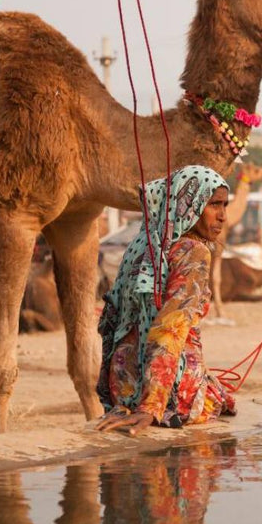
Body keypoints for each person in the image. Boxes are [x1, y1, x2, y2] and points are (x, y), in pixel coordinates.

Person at [96, 165, 236, 435]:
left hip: (122, 388)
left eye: (225, 205)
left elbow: (112, 322)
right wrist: (152, 406)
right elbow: (169, 330)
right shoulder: (193, 252)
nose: (223, 217)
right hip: (170, 394)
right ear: (188, 205)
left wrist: (125, 395)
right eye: (214, 205)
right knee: (214, 398)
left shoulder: (142, 245)